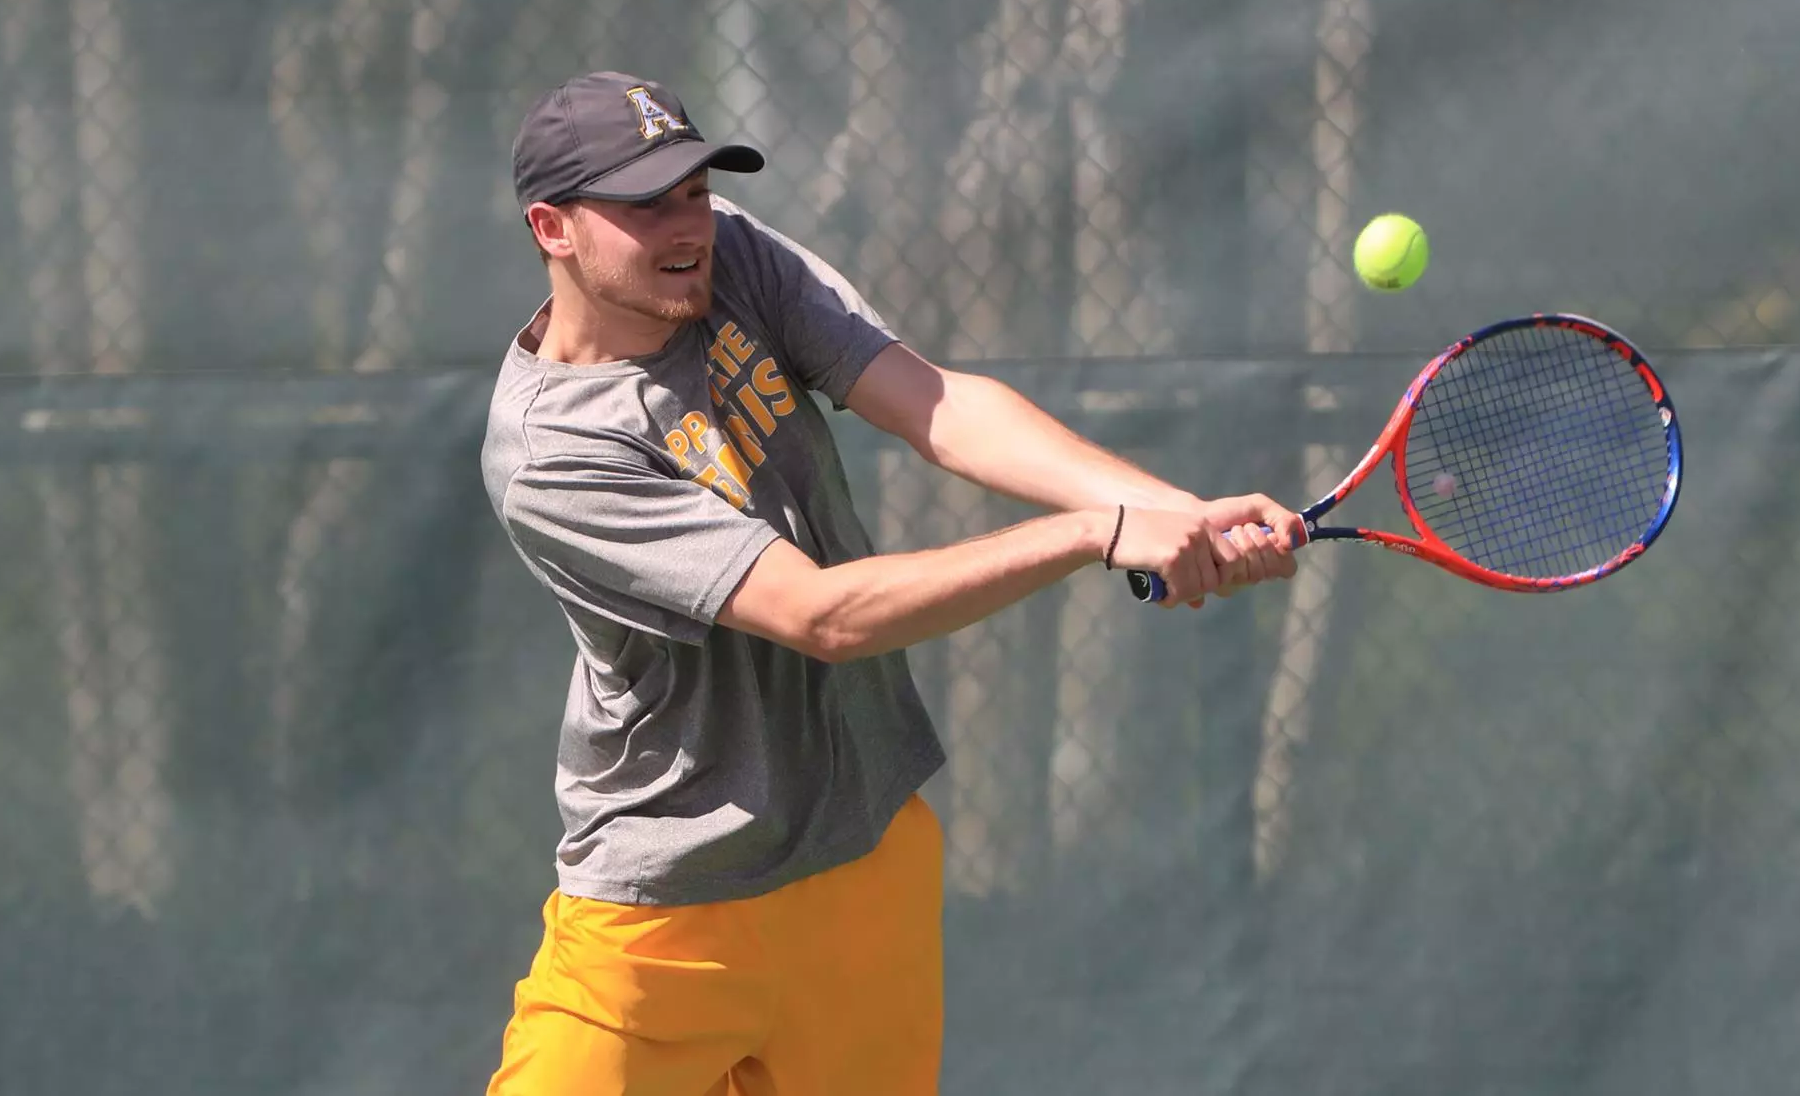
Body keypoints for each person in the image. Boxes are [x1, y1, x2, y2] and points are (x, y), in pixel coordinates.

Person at [480, 69, 1304, 1095]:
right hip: (664, 912)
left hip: (863, 859)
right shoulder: (553, 453)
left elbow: (936, 405)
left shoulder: (730, 256)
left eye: (694, 188)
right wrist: (1096, 531)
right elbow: (819, 614)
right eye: (646, 204)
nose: (686, 223)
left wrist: (1173, 512)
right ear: (552, 228)